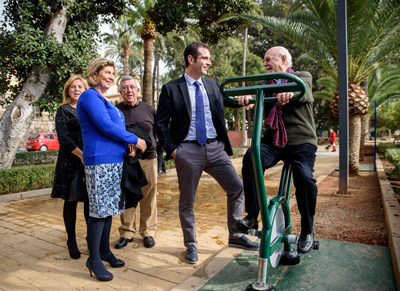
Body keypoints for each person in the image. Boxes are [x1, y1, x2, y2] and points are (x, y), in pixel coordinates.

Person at [156, 42, 259, 265]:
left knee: (236, 187)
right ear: (191, 59)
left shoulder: (213, 85)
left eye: (209, 58)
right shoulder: (171, 88)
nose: (209, 62)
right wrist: (174, 151)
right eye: (205, 58)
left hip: (215, 148)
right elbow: (160, 123)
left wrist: (245, 102)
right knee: (187, 202)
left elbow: (229, 102)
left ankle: (236, 235)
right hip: (187, 150)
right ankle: (191, 244)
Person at [235, 46, 318, 254]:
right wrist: (246, 97)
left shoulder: (301, 76)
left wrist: (292, 90)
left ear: (283, 59)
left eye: (267, 59)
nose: (264, 64)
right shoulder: (267, 83)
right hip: (274, 141)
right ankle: (253, 216)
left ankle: (307, 230)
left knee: (304, 176)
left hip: (300, 141)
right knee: (252, 157)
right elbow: (253, 92)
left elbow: (304, 89)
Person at [77, 58, 147, 281]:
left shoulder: (103, 100)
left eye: (112, 73)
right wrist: (135, 139)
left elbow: (115, 128)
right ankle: (94, 259)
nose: (110, 76)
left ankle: (105, 252)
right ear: (95, 74)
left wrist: (127, 145)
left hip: (115, 161)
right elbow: (105, 126)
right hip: (99, 161)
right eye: (106, 72)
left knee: (108, 209)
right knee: (98, 211)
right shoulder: (90, 96)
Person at [114, 76, 158, 250]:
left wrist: (153, 146)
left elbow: (158, 132)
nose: (129, 91)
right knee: (127, 195)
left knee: (149, 195)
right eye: (125, 88)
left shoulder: (149, 109)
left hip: (148, 159)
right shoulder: (114, 110)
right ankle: (126, 232)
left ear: (138, 90)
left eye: (132, 87)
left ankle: (148, 232)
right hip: (126, 161)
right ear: (120, 92)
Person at [51, 75, 89, 260]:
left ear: (85, 89)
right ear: (68, 90)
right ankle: (71, 241)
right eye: (73, 87)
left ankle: (92, 239)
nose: (76, 89)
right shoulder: (63, 110)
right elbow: (63, 138)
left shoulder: (88, 110)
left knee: (90, 202)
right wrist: (81, 155)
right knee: (70, 201)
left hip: (88, 161)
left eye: (80, 86)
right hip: (70, 160)